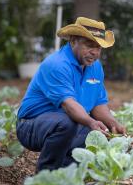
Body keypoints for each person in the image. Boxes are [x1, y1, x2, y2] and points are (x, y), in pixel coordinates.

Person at [16, 17, 126, 172]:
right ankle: (46, 177)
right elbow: (69, 105)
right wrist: (90, 122)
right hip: (31, 125)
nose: (94, 52)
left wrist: (114, 125)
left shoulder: (95, 67)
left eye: (98, 47)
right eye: (89, 45)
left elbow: (98, 105)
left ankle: (66, 174)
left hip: (65, 122)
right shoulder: (57, 64)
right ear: (74, 41)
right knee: (70, 123)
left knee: (94, 134)